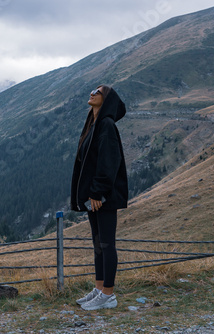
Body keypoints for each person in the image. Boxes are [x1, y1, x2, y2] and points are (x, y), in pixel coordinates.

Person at [70, 85, 128, 310]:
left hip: (103, 196)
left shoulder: (106, 125)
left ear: (107, 100)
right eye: (92, 90)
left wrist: (97, 191)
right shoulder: (93, 124)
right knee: (97, 244)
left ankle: (109, 295)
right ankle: (99, 289)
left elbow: (108, 161)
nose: (92, 92)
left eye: (98, 91)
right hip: (95, 196)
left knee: (106, 243)